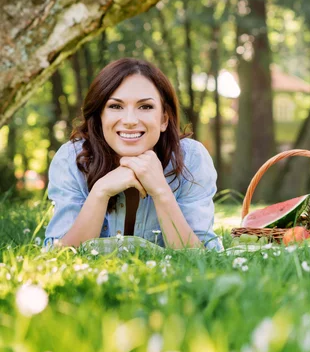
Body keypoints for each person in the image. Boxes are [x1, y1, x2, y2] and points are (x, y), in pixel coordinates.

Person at [44, 58, 222, 250]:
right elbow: (59, 255)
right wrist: (100, 191)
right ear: (100, 117)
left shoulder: (192, 158)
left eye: (145, 107)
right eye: (115, 106)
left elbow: (202, 257)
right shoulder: (71, 158)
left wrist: (161, 191)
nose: (130, 120)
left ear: (163, 119)